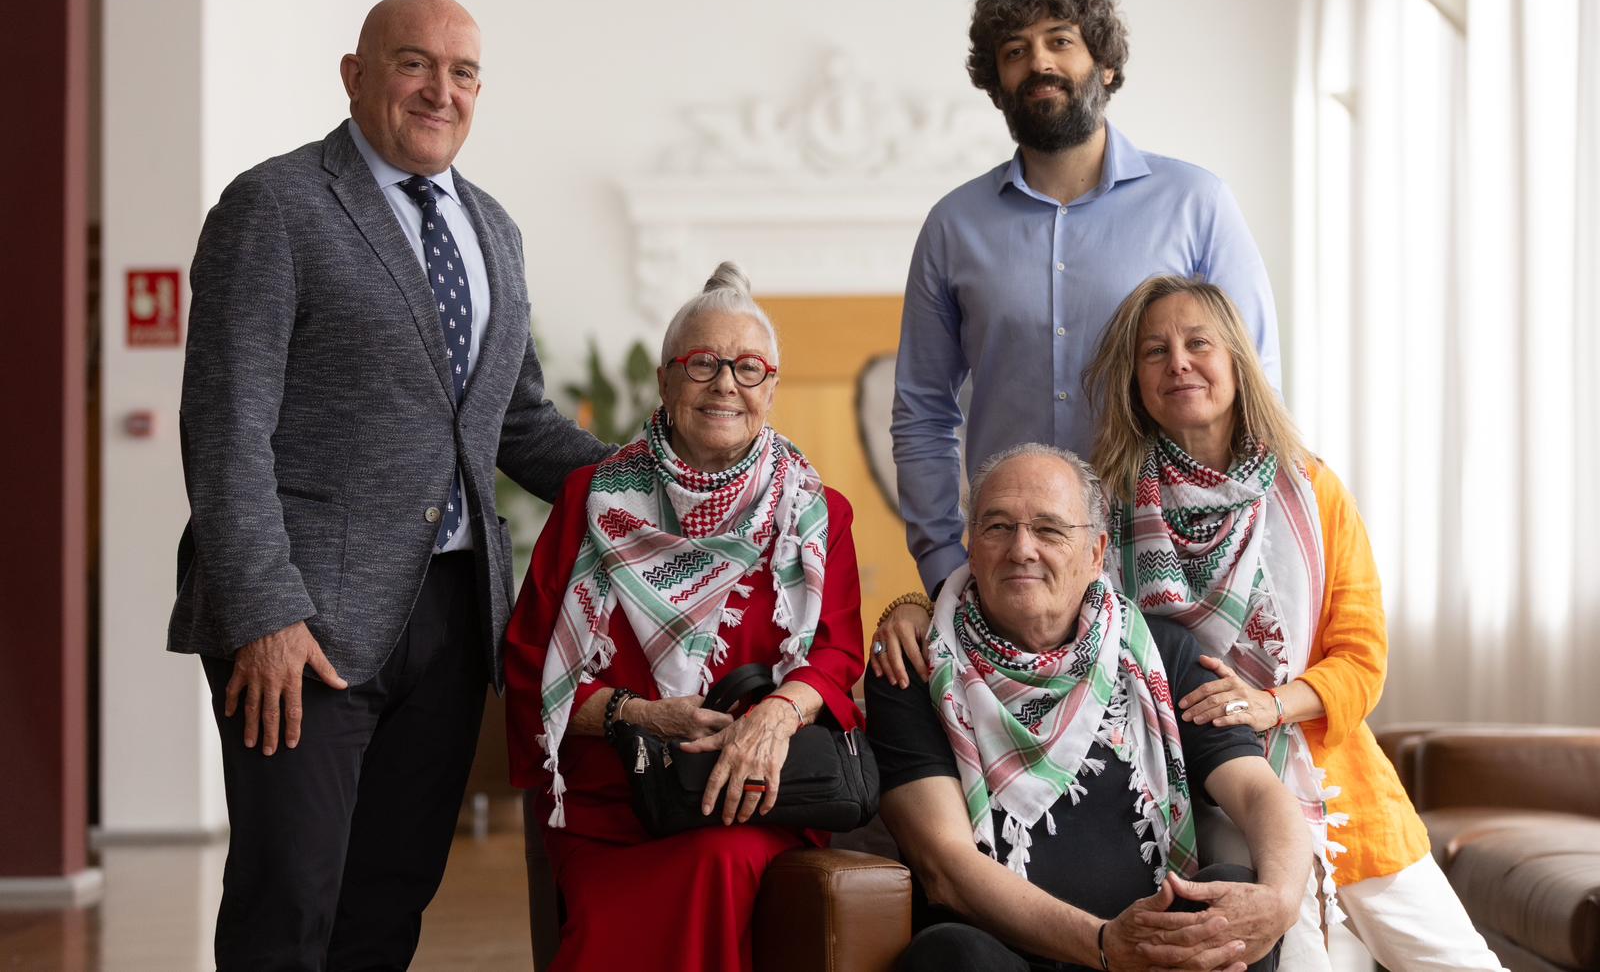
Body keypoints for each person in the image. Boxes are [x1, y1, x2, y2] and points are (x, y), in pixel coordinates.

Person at [166, 0, 610, 970]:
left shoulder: (493, 228)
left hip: (453, 619)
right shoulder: (275, 206)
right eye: (415, 64)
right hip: (303, 623)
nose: (440, 90)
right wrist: (265, 614)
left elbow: (517, 423)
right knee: (290, 898)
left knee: (391, 897)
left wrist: (661, 483)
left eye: (463, 72)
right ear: (356, 75)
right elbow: (227, 427)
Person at [1079, 276, 1506, 969]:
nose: (1178, 363)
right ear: (1135, 382)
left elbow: (1361, 658)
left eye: (1198, 343)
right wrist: (915, 607)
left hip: (1342, 787)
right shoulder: (1107, 509)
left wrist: (1268, 704)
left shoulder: (1311, 487)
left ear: (1236, 361)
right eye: (1154, 352)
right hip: (1213, 799)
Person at [503, 263, 866, 972]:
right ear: (666, 382)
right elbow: (531, 666)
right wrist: (641, 715)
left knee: (718, 862)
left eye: (749, 368)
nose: (726, 383)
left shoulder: (817, 515)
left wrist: (773, 718)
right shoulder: (590, 498)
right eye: (702, 363)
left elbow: (836, 656)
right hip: (613, 807)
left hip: (751, 795)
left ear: (771, 389)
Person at [891, 0, 1280, 604]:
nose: (1038, 62)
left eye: (1060, 41)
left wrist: (1237, 540)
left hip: (1176, 556)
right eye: (1015, 52)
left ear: (1106, 66)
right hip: (1014, 567)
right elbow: (923, 411)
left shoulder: (1197, 203)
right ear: (997, 86)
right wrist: (940, 562)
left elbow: (1256, 382)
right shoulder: (952, 226)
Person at [866, 444, 1309, 972]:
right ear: (972, 548)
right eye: (998, 527)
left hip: (1156, 957)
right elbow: (945, 865)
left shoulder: (1159, 653)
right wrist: (1105, 945)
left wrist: (1282, 900)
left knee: (1232, 901)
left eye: (1049, 530)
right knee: (953, 955)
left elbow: (1259, 792)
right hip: (1011, 957)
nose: (1022, 549)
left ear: (1096, 553)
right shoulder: (913, 667)